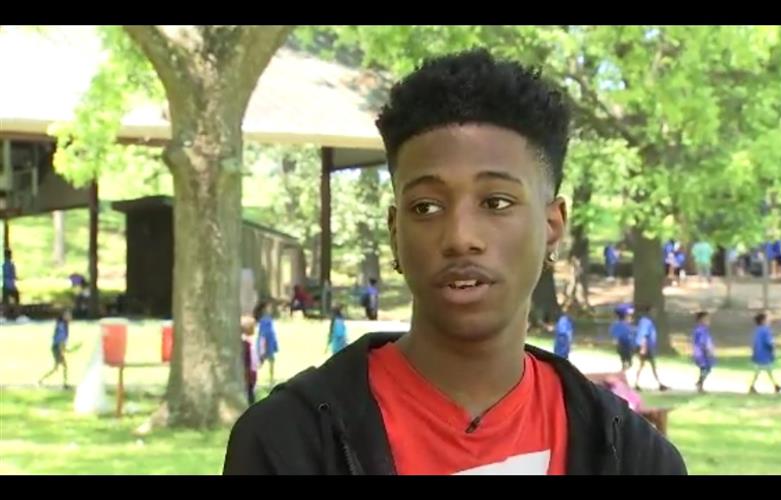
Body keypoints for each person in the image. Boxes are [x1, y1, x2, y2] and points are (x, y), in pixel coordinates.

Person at [224, 49, 685, 475]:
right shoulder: (288, 443)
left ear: (552, 225)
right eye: (426, 206)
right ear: (394, 232)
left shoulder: (636, 459)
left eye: (497, 202)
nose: (461, 237)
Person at [633, 305, 669, 392]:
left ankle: (637, 383)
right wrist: (643, 348)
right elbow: (644, 335)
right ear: (648, 312)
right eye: (653, 311)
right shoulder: (646, 322)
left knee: (644, 365)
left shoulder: (645, 321)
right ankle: (659, 384)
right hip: (645, 347)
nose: (655, 313)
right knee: (649, 365)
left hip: (646, 346)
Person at [38, 309, 72, 389]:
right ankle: (65, 384)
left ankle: (41, 380)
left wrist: (64, 349)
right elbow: (60, 339)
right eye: (68, 315)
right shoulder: (62, 326)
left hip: (57, 347)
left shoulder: (64, 325)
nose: (70, 316)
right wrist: (62, 350)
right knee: (63, 366)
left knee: (56, 368)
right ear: (63, 316)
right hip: (57, 348)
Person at [749, 312, 781, 394]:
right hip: (765, 354)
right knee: (766, 369)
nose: (769, 320)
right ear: (763, 321)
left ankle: (775, 385)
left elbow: (755, 342)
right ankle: (775, 386)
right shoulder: (766, 330)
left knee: (762, 370)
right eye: (767, 318)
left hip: (758, 353)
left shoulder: (757, 330)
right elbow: (769, 342)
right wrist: (773, 348)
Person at [254, 301, 279, 388]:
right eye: (269, 308)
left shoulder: (269, 319)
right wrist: (262, 347)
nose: (270, 309)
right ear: (264, 309)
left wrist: (274, 344)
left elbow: (272, 333)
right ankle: (255, 381)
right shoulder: (264, 321)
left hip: (270, 343)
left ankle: (271, 380)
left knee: (271, 361)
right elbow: (263, 334)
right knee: (260, 362)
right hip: (265, 344)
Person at [692, 311, 715, 394]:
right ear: (701, 320)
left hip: (703, 352)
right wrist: (707, 350)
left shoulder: (704, 330)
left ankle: (700, 383)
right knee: (705, 368)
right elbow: (702, 342)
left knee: (706, 369)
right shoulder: (700, 330)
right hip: (702, 353)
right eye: (706, 319)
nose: (708, 321)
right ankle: (700, 385)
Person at [610, 304, 636, 371]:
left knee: (626, 356)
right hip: (623, 343)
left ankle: (626, 365)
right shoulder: (621, 324)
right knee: (624, 355)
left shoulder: (622, 324)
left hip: (626, 344)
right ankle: (625, 365)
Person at [241, 314, 260, 405]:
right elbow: (254, 360)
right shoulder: (250, 343)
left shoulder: (242, 342)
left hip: (246, 371)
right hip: (250, 372)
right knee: (250, 393)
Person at [2, 249, 19, 317]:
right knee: (16, 300)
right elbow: (12, 275)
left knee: (5, 301)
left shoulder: (4, 265)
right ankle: (15, 314)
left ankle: (6, 314)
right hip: (10, 285)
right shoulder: (10, 265)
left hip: (7, 285)